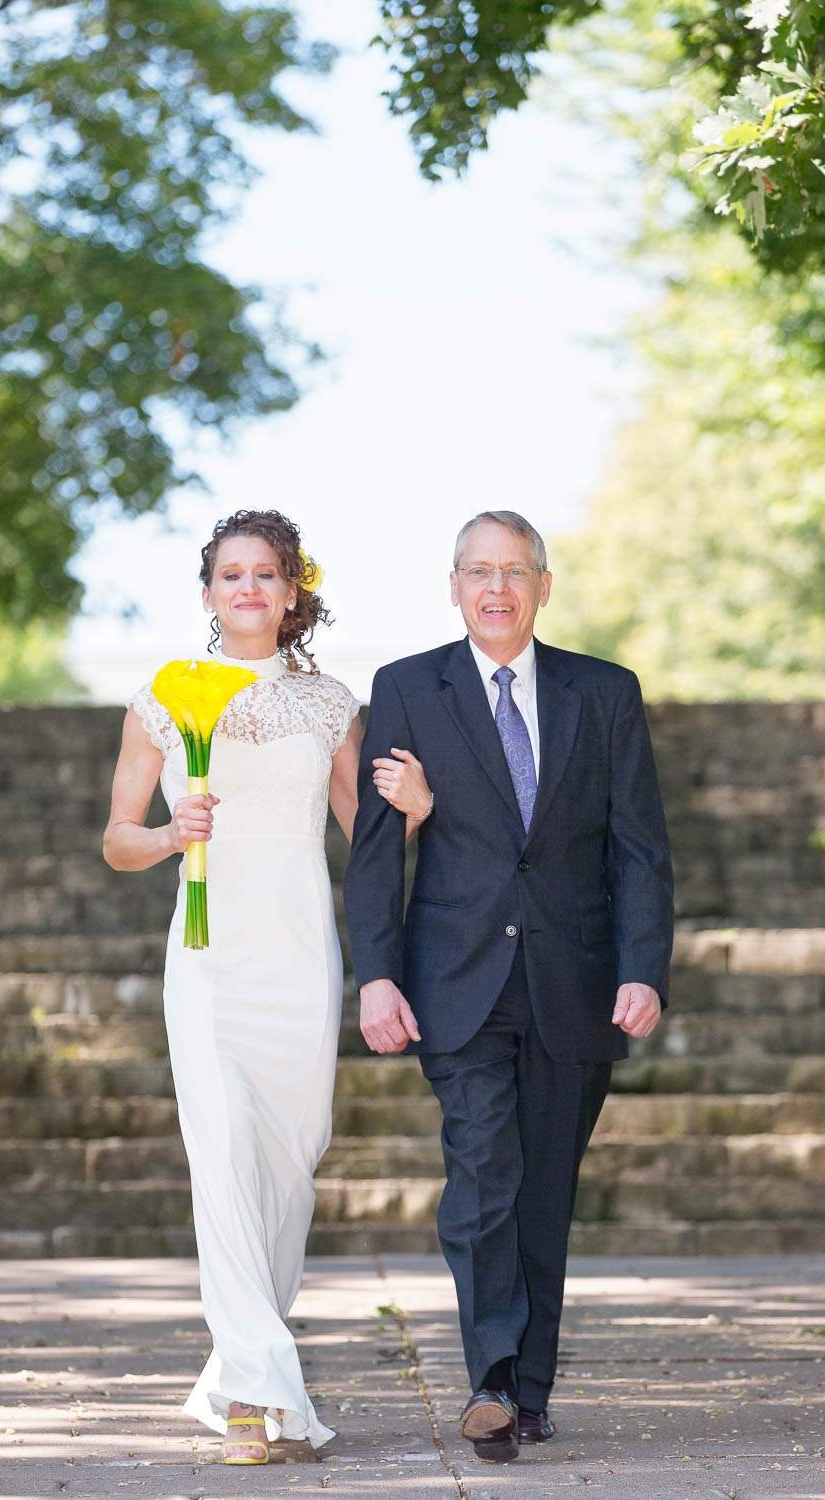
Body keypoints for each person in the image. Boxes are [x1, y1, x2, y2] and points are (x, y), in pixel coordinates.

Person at [102, 509, 433, 1466]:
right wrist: (172, 835)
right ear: (208, 592)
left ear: (294, 592)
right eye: (230, 575)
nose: (248, 589)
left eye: (266, 574)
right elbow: (118, 838)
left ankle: (242, 1367)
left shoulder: (331, 702)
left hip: (297, 949)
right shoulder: (161, 697)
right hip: (206, 958)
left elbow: (367, 842)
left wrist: (415, 810)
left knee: (290, 1161)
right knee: (224, 1147)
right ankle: (255, 1389)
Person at [344, 510, 674, 1462]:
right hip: (458, 981)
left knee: (542, 1197)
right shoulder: (408, 688)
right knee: (483, 1174)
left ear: (543, 585)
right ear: (453, 586)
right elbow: (375, 852)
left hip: (573, 980)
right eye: (478, 571)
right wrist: (376, 975)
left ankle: (531, 1393)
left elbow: (640, 848)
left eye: (514, 571)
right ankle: (490, 1376)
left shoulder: (605, 693)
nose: (496, 588)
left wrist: (641, 967)